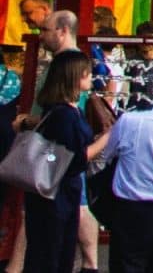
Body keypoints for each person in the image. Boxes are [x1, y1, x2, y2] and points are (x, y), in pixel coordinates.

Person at [21, 51, 98, 273]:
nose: (91, 76)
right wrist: (106, 140)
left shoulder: (60, 110)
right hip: (57, 192)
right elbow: (75, 159)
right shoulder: (64, 114)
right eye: (87, 72)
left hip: (56, 192)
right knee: (52, 252)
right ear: (76, 76)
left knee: (53, 249)